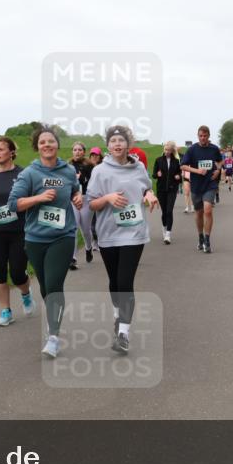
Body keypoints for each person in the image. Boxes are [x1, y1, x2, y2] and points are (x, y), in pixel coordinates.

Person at [8, 126, 83, 359]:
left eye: (51, 141)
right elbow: (13, 204)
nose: (47, 145)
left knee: (54, 284)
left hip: (63, 236)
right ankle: (53, 323)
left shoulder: (68, 170)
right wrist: (39, 197)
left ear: (57, 145)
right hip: (35, 238)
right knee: (45, 286)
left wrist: (78, 198)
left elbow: (75, 190)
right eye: (42, 142)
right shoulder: (30, 174)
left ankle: (53, 337)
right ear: (37, 147)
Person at [87, 125, 158, 353]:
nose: (117, 144)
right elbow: (92, 204)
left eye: (121, 140)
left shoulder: (138, 168)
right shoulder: (99, 171)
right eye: (113, 141)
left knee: (126, 282)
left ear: (128, 144)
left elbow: (147, 187)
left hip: (134, 232)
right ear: (108, 145)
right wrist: (107, 198)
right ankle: (118, 316)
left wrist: (150, 195)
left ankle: (123, 333)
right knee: (115, 282)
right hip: (108, 233)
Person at [0, 137, 36, 326]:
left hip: (20, 231)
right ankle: (6, 311)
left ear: (12, 152)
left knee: (18, 273)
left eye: (1, 149)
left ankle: (26, 293)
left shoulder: (23, 174)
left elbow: (33, 196)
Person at [180, 125, 223, 253]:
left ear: (208, 136)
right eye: (200, 136)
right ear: (198, 136)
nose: (203, 138)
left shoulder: (214, 149)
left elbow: (220, 161)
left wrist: (218, 170)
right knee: (199, 213)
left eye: (205, 136)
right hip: (197, 186)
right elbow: (183, 166)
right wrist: (197, 170)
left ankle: (207, 240)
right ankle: (200, 237)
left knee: (208, 210)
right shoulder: (192, 150)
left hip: (210, 184)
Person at [68, 142, 95, 269]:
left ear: (84, 152)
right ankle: (72, 258)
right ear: (72, 151)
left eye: (80, 150)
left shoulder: (90, 166)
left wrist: (81, 178)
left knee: (85, 229)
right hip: (72, 200)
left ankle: (88, 247)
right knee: (73, 228)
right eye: (75, 149)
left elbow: (93, 184)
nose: (77, 152)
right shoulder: (67, 166)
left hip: (86, 199)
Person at [152, 141, 181, 244]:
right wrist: (157, 174)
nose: (167, 152)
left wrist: (178, 177)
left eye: (169, 150)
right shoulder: (158, 160)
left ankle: (168, 233)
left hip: (172, 189)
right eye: (165, 149)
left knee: (169, 211)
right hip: (161, 189)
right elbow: (154, 175)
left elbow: (179, 175)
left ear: (172, 150)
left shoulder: (176, 162)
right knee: (164, 212)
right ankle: (164, 228)